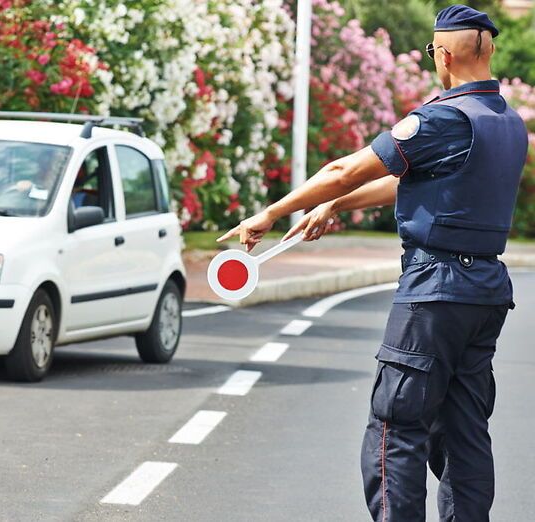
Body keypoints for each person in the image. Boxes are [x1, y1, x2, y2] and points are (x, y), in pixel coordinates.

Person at [216, 5, 528, 521]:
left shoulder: (443, 116)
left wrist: (270, 213)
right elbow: (410, 177)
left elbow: (344, 168)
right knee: (464, 431)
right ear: (489, 50)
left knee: (397, 426)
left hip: (433, 290)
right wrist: (336, 205)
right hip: (486, 290)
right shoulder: (506, 122)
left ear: (443, 55)